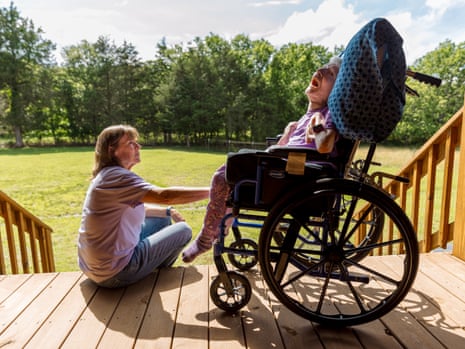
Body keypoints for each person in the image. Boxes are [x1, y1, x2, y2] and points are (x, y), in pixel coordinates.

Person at [182, 56, 342, 263]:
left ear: (336, 91)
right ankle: (216, 230)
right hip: (285, 167)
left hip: (297, 174)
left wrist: (317, 126)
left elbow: (326, 146)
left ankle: (207, 236)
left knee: (227, 171)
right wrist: (288, 133)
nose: (320, 70)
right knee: (231, 175)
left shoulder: (324, 114)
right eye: (320, 68)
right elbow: (283, 147)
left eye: (329, 73)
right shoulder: (305, 117)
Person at [78, 125, 210, 288]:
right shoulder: (117, 177)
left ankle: (149, 267)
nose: (138, 146)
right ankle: (157, 276)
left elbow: (135, 208)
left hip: (95, 266)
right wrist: (214, 191)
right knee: (184, 231)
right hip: (114, 273)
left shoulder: (107, 175)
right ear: (113, 150)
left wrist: (168, 212)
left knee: (162, 220)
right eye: (130, 143)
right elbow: (165, 196)